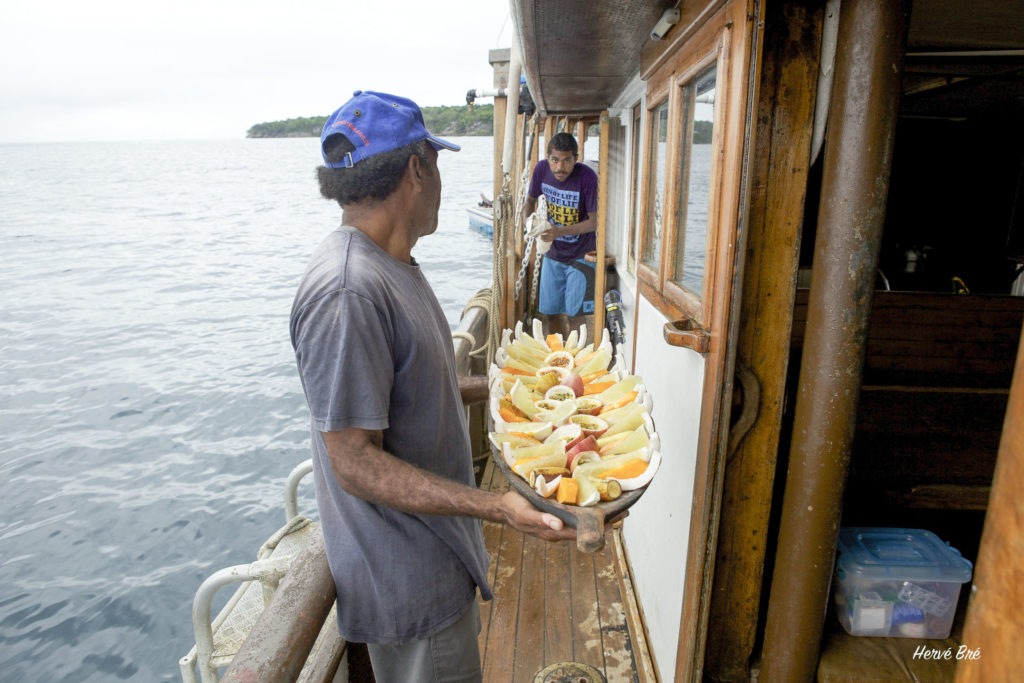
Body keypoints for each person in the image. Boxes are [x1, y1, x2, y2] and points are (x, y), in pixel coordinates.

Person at [289, 90, 576, 682]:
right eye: (438, 163)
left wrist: (498, 390)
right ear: (417, 169)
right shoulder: (348, 290)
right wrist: (499, 507)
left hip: (440, 565)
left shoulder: (393, 263)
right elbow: (354, 463)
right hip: (409, 588)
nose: (441, 179)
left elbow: (415, 390)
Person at [520, 132, 599, 338]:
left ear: (576, 158)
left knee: (575, 314)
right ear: (548, 158)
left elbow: (594, 222)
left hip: (581, 254)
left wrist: (558, 232)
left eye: (567, 161)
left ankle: (577, 361)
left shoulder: (587, 177)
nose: (560, 167)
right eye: (555, 160)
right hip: (553, 254)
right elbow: (529, 202)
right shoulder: (541, 170)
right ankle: (559, 356)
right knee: (550, 312)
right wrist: (529, 226)